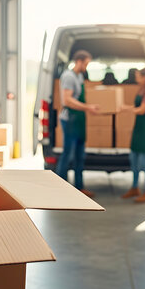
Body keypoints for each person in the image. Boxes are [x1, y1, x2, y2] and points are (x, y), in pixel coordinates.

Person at [55, 50, 100, 197]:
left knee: (80, 155)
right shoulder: (68, 76)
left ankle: (80, 188)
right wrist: (88, 107)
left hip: (79, 119)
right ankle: (61, 190)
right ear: (79, 61)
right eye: (86, 63)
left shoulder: (79, 76)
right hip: (70, 120)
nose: (86, 67)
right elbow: (67, 100)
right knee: (68, 154)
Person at [120, 67, 145, 203]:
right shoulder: (141, 89)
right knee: (133, 158)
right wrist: (126, 107)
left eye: (138, 76)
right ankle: (135, 187)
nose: (136, 78)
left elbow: (142, 110)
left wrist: (127, 109)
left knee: (144, 162)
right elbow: (137, 107)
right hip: (139, 127)